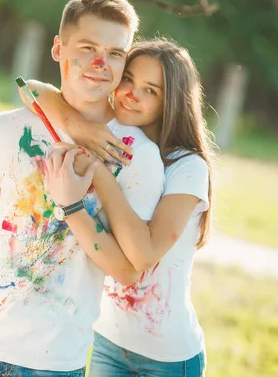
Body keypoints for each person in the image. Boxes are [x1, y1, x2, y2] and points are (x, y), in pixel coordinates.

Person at [0, 0, 166, 376]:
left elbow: (127, 269)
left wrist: (71, 207)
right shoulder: (6, 128)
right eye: (87, 48)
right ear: (58, 49)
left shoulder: (135, 154)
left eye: (115, 53)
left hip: (50, 361)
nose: (101, 63)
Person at [23, 37, 213, 376]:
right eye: (129, 79)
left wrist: (101, 176)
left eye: (150, 90)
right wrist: (79, 125)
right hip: (108, 341)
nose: (132, 94)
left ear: (172, 102)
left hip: (167, 358)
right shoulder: (105, 134)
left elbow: (143, 254)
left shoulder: (187, 167)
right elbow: (30, 88)